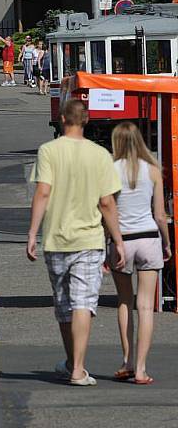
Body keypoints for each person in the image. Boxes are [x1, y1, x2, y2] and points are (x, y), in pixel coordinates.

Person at [27, 99, 125, 386]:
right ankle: (77, 368)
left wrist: (33, 233)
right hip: (89, 240)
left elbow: (42, 193)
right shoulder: (100, 155)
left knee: (64, 305)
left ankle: (72, 361)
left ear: (61, 120)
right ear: (86, 120)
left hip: (56, 239)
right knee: (83, 303)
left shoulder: (48, 151)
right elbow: (107, 202)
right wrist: (117, 240)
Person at [108, 122, 172, 385]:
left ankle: (127, 360)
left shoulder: (110, 170)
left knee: (125, 301)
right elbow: (159, 214)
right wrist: (167, 243)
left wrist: (107, 243)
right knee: (145, 306)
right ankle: (142, 369)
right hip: (148, 238)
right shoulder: (153, 170)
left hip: (122, 240)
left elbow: (107, 209)